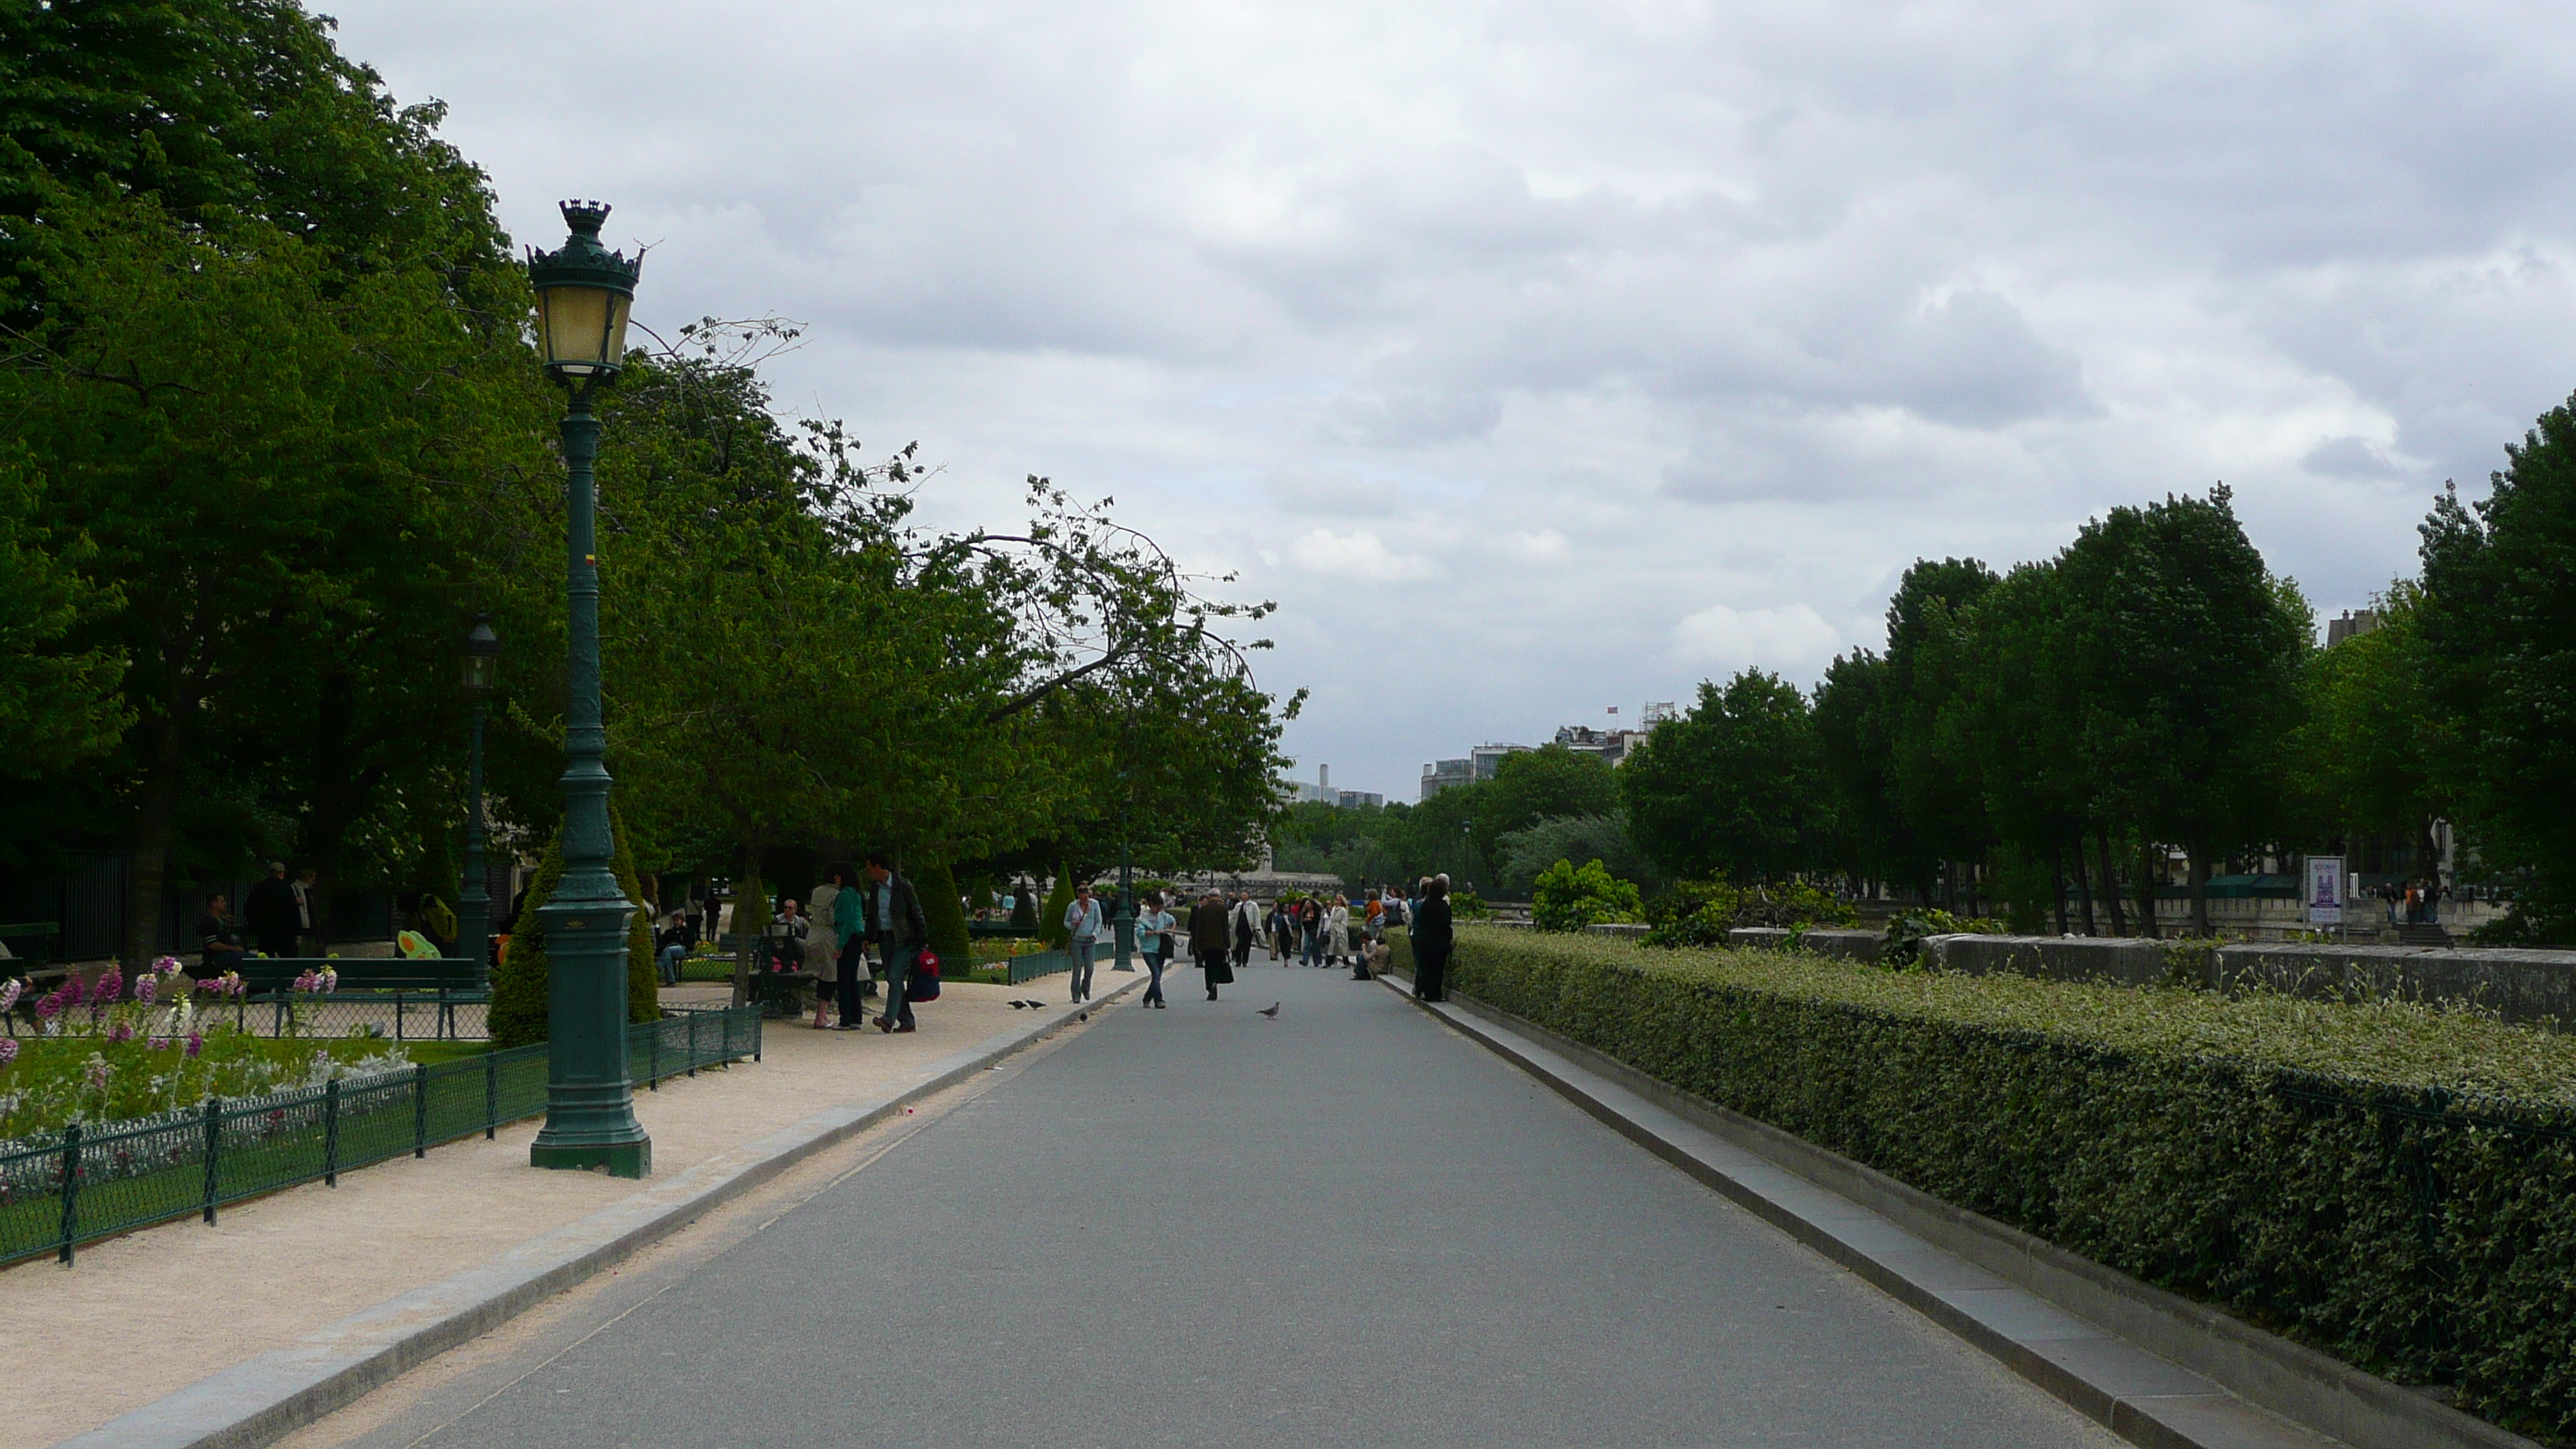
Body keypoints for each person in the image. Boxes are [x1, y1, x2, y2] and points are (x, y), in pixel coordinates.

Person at [862, 852, 929, 1033]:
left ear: (878, 867)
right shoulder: (876, 888)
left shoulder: (903, 886)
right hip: (884, 938)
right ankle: (907, 1021)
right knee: (895, 981)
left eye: (870, 868)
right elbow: (872, 914)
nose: (869, 872)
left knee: (893, 977)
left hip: (904, 939)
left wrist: (922, 939)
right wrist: (868, 937)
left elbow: (916, 911)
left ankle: (888, 1020)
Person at [831, 864, 873, 1026]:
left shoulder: (844, 895)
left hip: (849, 937)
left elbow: (847, 921)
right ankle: (856, 1017)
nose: (836, 879)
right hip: (857, 935)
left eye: (838, 876)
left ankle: (845, 1019)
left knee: (843, 979)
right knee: (852, 979)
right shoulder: (857, 894)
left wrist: (840, 946)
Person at [807, 870, 844, 1029]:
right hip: (828, 935)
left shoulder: (817, 891)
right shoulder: (836, 894)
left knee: (820, 973)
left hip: (813, 933)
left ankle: (821, 1014)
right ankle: (821, 1015)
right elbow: (832, 917)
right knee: (830, 975)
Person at [244, 862, 300, 959]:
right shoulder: (286, 888)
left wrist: (256, 925)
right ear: (281, 873)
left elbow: (249, 908)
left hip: (265, 932)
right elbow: (293, 910)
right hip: (284, 932)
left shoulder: (259, 887)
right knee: (288, 959)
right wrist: (296, 931)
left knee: (266, 958)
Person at [1412, 875, 1454, 1002]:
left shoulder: (1425, 905)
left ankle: (1428, 993)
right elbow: (1446, 924)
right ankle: (1436, 993)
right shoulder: (1443, 906)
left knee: (1428, 969)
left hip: (1426, 941)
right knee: (1438, 970)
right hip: (1440, 942)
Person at [1064, 882, 1104, 1004]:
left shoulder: (1094, 905)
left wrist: (1095, 933)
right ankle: (1075, 994)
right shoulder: (1073, 906)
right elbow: (1066, 921)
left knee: (1090, 968)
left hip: (1090, 940)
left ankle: (1085, 988)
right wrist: (1072, 925)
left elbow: (1099, 921)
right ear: (1078, 896)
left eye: (1086, 897)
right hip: (1077, 939)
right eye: (1082, 897)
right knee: (1077, 968)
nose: (1084, 900)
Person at [1190, 890, 1234, 1000]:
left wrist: (1198, 946)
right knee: (1218, 964)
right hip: (1220, 944)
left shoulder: (1203, 910)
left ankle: (1210, 985)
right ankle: (1216, 981)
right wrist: (1227, 944)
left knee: (1209, 966)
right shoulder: (1223, 909)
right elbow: (1225, 928)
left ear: (1209, 897)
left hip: (1206, 943)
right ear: (1218, 896)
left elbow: (1199, 929)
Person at [1136, 892, 1174, 1009]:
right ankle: (1159, 1000)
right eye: (1157, 907)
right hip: (1148, 949)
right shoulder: (1143, 918)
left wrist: (1170, 932)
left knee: (1157, 976)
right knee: (1156, 973)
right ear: (1151, 905)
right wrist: (1154, 932)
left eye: (1160, 908)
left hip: (1161, 948)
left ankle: (1147, 998)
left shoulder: (1163, 916)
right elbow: (1140, 933)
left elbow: (1173, 921)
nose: (1158, 910)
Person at [197, 892, 248, 972]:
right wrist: (234, 949)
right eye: (222, 902)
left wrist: (223, 918)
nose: (225, 904)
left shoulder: (217, 919)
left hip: (227, 953)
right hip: (219, 955)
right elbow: (213, 944)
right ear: (214, 904)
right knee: (251, 961)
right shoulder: (209, 921)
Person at [1230, 891, 1259, 973]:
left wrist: (1257, 927)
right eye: (1242, 895)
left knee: (1247, 945)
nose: (1243, 897)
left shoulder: (1253, 905)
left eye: (1245, 895)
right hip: (1239, 927)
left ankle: (1245, 961)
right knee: (1239, 943)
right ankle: (1238, 960)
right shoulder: (1238, 906)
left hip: (1249, 928)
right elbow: (1233, 915)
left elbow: (1257, 916)